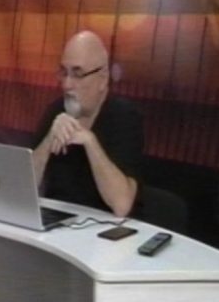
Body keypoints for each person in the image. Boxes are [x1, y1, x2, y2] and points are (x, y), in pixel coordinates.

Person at [32, 30, 143, 217]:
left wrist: (90, 142)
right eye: (64, 73)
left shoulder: (124, 117)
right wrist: (49, 140)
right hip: (59, 222)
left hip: (105, 228)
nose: (67, 84)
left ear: (102, 79)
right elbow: (22, 188)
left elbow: (122, 205)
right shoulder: (56, 111)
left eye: (77, 74)